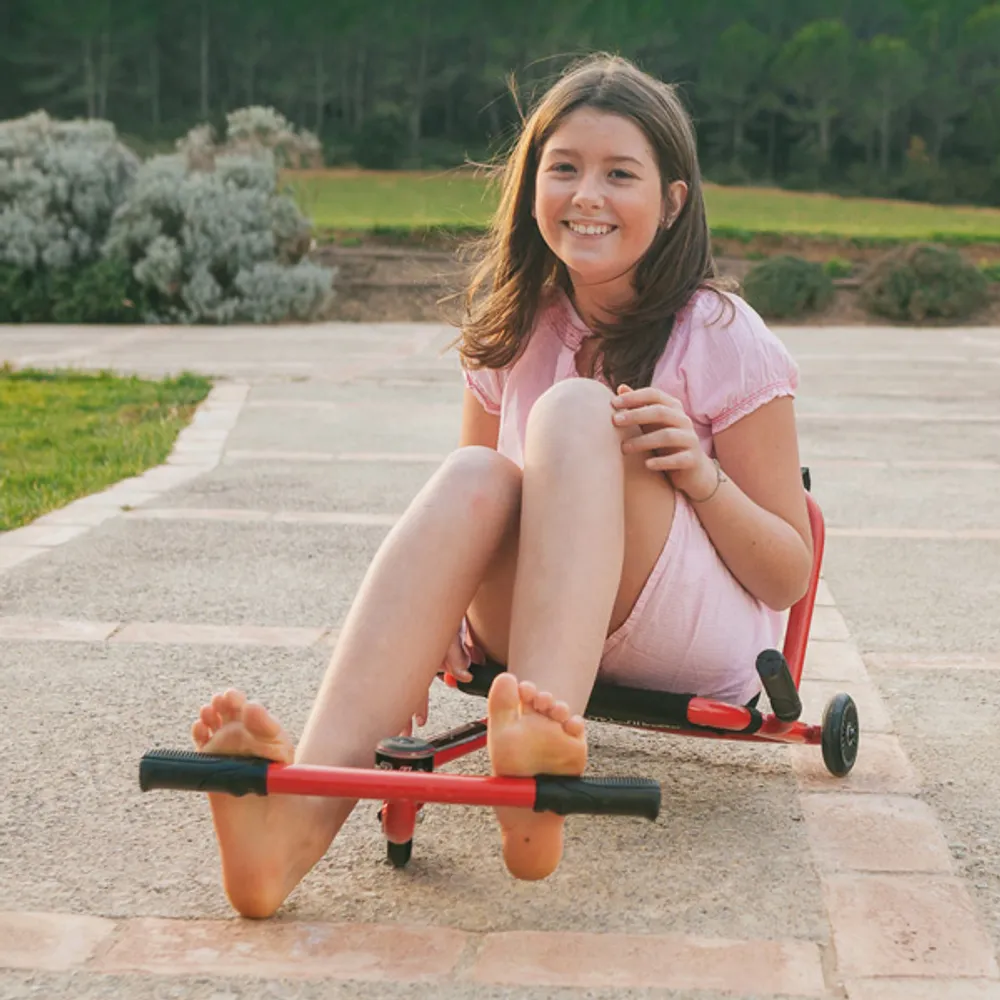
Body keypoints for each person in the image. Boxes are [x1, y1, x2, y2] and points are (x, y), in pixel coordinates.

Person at [190, 53, 813, 919]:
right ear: (531, 189)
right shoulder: (514, 324)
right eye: (564, 169)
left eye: (619, 174)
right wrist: (429, 627)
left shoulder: (719, 332)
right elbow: (475, 517)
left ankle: (542, 754)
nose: (586, 195)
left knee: (570, 415)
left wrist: (700, 477)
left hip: (685, 628)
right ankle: (292, 824)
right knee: (478, 472)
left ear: (672, 202)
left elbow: (788, 575)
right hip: (532, 633)